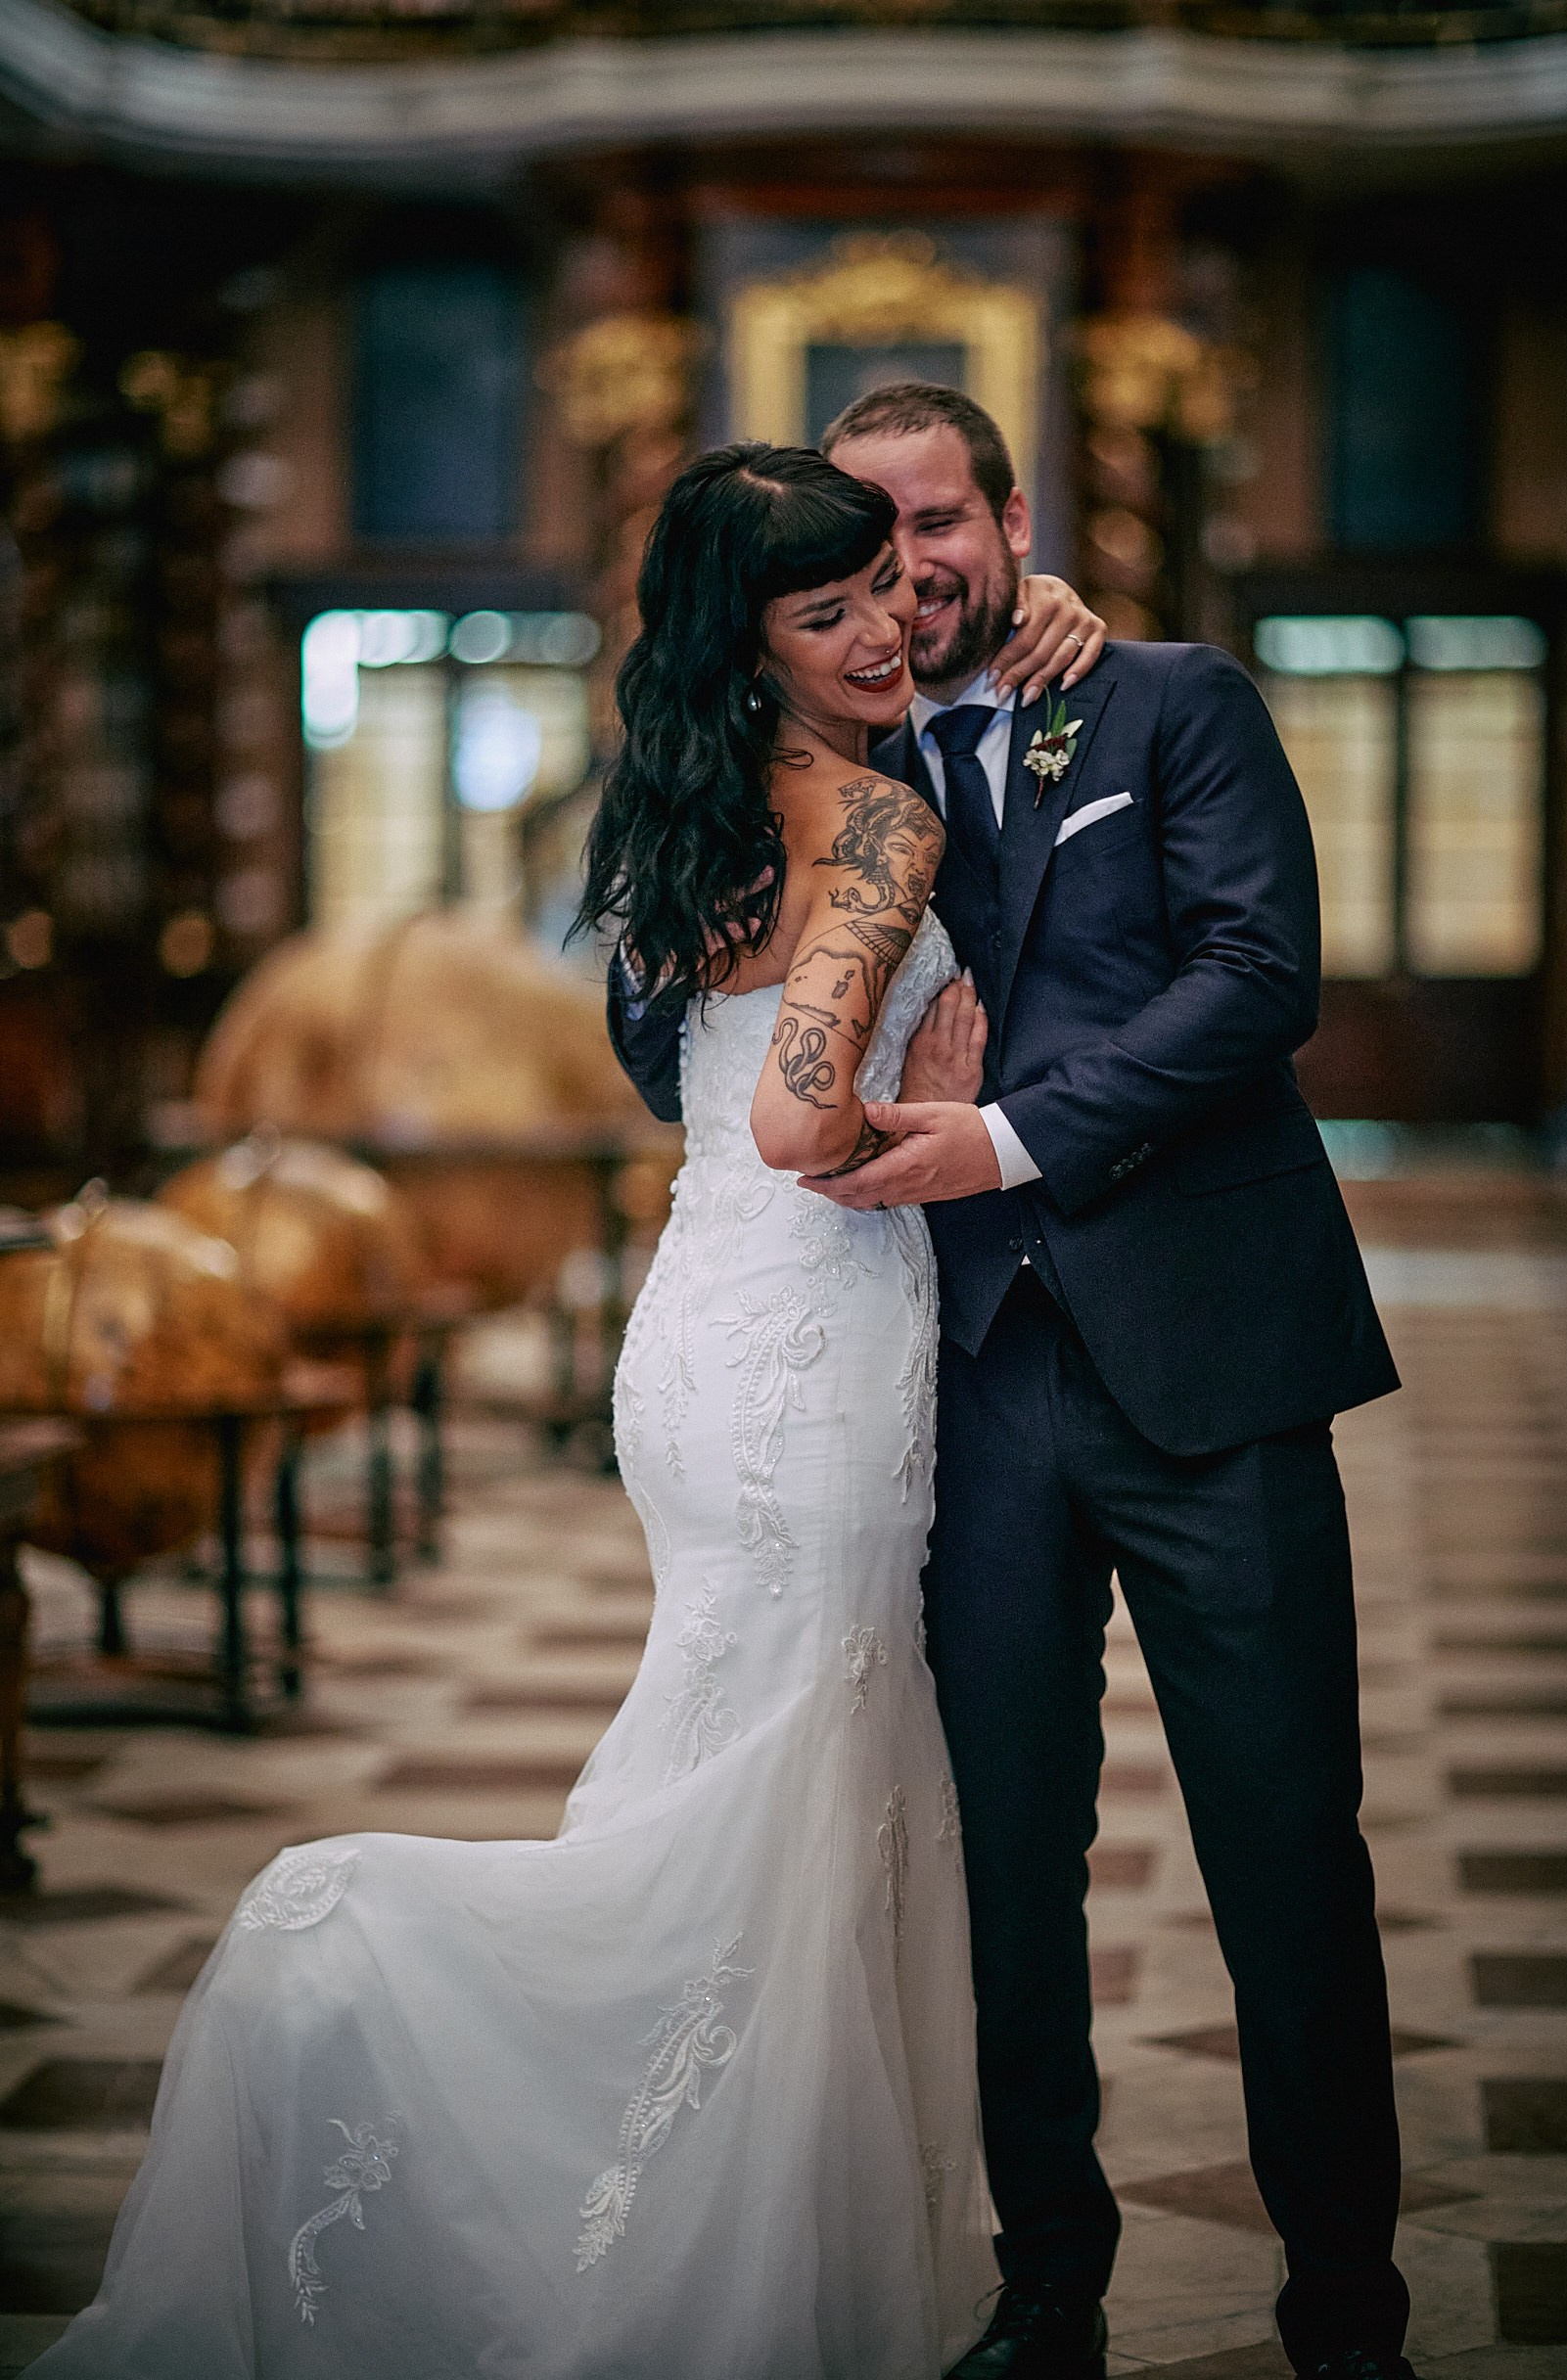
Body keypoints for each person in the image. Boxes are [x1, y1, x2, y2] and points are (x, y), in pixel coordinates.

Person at [30, 444, 1093, 2380]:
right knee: (782, 1783)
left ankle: (746, 2255)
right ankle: (368, 1985)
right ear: (748, 641)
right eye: (826, 608)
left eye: (883, 589)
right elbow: (789, 1119)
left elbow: (694, 1091)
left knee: (744, 1768)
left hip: (698, 1337)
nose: (876, 630)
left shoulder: (677, 809)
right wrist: (928, 1100)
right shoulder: (867, 827)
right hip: (805, 1346)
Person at [611, 386, 1412, 2380]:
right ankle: (1044, 2286)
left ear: (1006, 519)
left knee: (1284, 1845)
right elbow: (668, 1035)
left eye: (935, 531)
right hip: (951, 1385)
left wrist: (994, 1138)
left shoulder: (1162, 705)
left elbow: (1254, 977)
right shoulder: (823, 764)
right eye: (864, 556)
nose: (907, 583)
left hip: (1206, 1358)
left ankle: (1344, 2311)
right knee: (996, 1860)